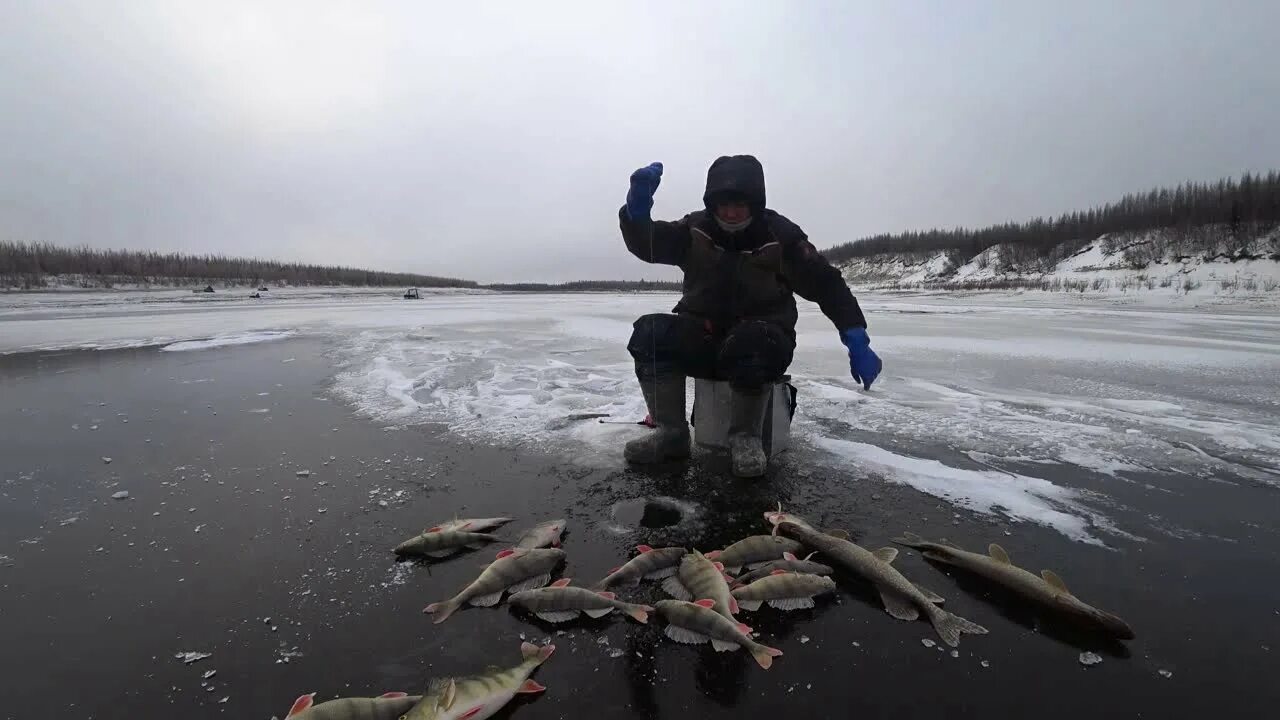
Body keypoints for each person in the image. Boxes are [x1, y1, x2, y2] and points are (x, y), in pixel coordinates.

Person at [619, 156, 882, 477]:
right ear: (711, 203)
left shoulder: (781, 237)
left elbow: (827, 284)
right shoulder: (695, 229)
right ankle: (671, 434)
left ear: (756, 203)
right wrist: (637, 211)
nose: (730, 212)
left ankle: (746, 437)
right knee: (650, 333)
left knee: (753, 340)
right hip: (705, 336)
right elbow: (648, 244)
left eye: (739, 204)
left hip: (761, 344)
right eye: (722, 204)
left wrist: (855, 335)